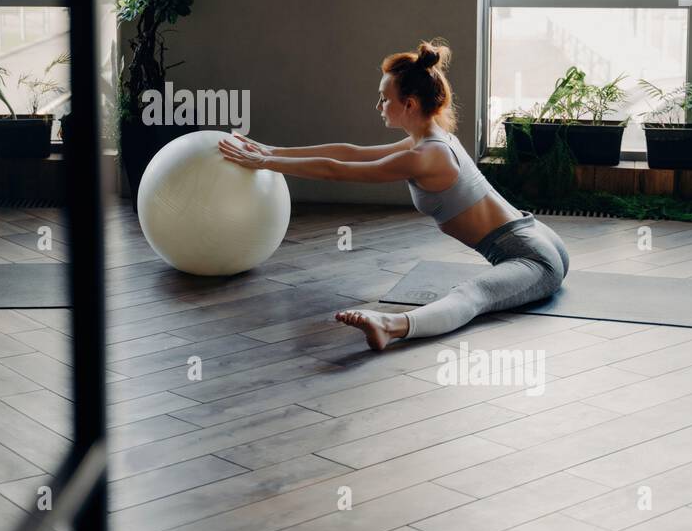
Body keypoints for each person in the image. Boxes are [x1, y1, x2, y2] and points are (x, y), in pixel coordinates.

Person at [217, 39, 570, 351]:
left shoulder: (424, 156)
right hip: (536, 235)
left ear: (410, 104)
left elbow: (336, 169)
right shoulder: (431, 140)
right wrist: (271, 150)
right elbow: (350, 152)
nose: (379, 106)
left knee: (472, 295)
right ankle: (391, 325)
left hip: (534, 259)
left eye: (385, 99)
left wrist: (266, 162)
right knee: (476, 291)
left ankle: (391, 326)